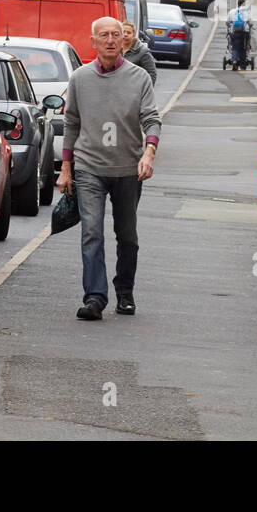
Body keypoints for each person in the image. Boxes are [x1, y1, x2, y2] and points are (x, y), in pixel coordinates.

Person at [57, 16, 161, 320]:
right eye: (104, 35)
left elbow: (152, 119)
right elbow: (71, 123)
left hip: (129, 169)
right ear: (93, 42)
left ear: (124, 40)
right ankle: (94, 297)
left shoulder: (139, 77)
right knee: (91, 232)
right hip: (89, 167)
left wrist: (149, 153)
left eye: (116, 35)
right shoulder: (79, 78)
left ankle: (125, 292)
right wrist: (66, 167)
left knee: (127, 235)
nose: (111, 40)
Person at [121, 20, 158, 86]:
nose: (125, 34)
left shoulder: (143, 52)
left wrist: (146, 92)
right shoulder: (115, 50)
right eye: (123, 32)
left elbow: (152, 74)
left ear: (133, 35)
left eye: (128, 33)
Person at [228, 0, 250, 71]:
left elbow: (227, 22)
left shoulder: (232, 12)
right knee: (243, 48)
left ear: (237, 4)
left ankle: (234, 61)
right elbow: (251, 23)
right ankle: (243, 65)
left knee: (234, 46)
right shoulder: (247, 12)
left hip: (234, 32)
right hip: (244, 32)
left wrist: (230, 25)